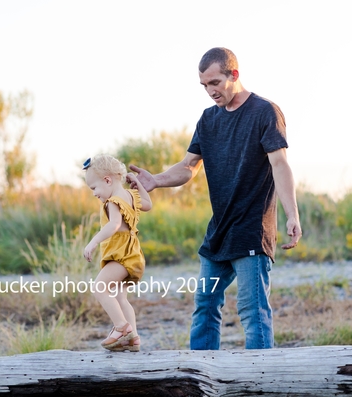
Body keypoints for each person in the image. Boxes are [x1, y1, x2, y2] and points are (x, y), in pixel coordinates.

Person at [129, 47, 302, 350]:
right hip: (218, 233)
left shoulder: (264, 112)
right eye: (204, 85)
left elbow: (280, 164)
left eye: (215, 83)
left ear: (233, 74)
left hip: (251, 230)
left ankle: (260, 381)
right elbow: (187, 167)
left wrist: (293, 215)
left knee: (252, 311)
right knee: (205, 305)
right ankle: (202, 376)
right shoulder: (208, 120)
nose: (210, 91)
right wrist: (156, 180)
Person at [82, 154, 152, 352]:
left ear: (107, 180)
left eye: (94, 188)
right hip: (133, 255)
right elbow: (148, 204)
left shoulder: (112, 201)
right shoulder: (131, 196)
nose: (94, 194)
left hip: (121, 255)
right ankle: (133, 339)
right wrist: (138, 183)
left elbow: (113, 225)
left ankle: (122, 329)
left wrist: (93, 242)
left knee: (99, 288)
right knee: (120, 298)